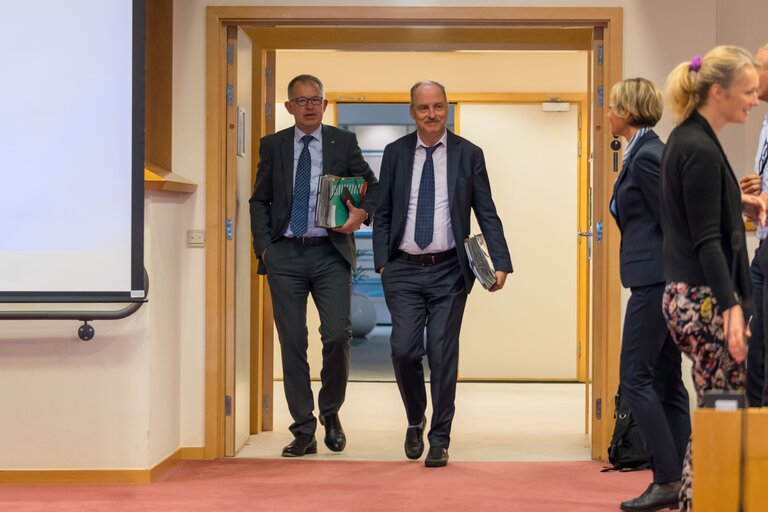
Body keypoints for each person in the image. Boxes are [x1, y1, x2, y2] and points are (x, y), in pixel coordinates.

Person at [372, 80, 512, 468]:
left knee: (442, 353)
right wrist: (383, 261)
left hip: (450, 269)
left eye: (439, 107)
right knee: (403, 350)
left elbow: (486, 211)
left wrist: (500, 261)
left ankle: (439, 437)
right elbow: (382, 212)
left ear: (447, 107)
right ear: (412, 111)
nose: (432, 114)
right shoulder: (395, 153)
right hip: (401, 268)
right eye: (423, 108)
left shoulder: (469, 154)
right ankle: (415, 418)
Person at [249, 74, 378, 457]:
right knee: (292, 342)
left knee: (338, 335)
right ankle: (303, 429)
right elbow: (259, 200)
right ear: (289, 107)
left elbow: (372, 186)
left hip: (329, 252)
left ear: (323, 104)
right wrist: (265, 249)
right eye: (301, 100)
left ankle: (331, 413)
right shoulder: (273, 146)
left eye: (315, 99)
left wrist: (362, 215)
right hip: (285, 254)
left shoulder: (343, 142)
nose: (309, 106)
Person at [661, 46, 765, 511]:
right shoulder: (699, 147)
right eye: (747, 91)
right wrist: (732, 308)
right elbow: (705, 241)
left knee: (712, 414)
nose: (754, 100)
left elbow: (697, 214)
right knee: (719, 418)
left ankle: (693, 502)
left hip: (693, 295)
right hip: (705, 300)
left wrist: (737, 206)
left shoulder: (693, 137)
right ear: (717, 91)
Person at [606, 78, 691, 512]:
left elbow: (675, 220)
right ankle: (684, 478)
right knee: (665, 381)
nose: (608, 113)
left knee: (635, 379)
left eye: (613, 106)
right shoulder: (639, 151)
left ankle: (667, 479)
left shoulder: (648, 156)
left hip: (656, 282)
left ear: (627, 110)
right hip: (655, 279)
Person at [738, 43, 768, 407]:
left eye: (758, 67)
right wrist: (754, 195)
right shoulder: (763, 125)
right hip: (761, 247)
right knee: (754, 354)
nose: (751, 74)